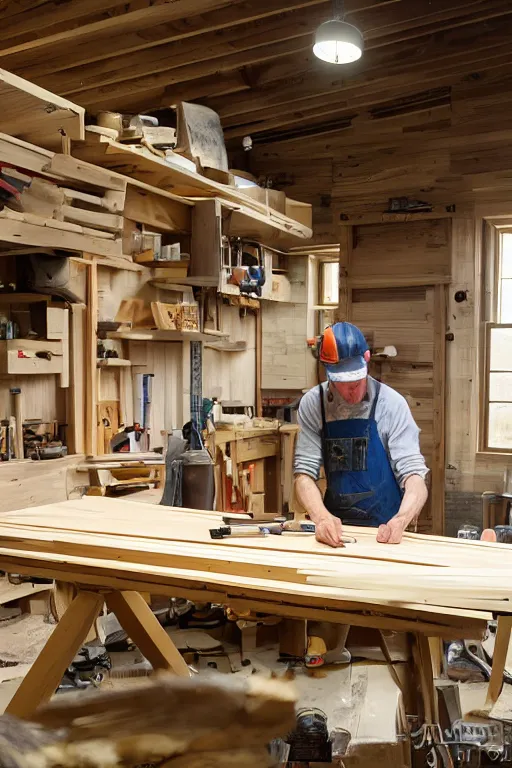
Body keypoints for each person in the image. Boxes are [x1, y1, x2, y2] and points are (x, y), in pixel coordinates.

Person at [294, 322, 429, 547]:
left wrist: (402, 519)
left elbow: (414, 476)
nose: (352, 390)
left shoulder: (392, 404)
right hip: (338, 530)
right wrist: (321, 517)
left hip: (386, 530)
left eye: (357, 381)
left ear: (366, 361)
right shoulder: (313, 404)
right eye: (343, 383)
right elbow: (304, 474)